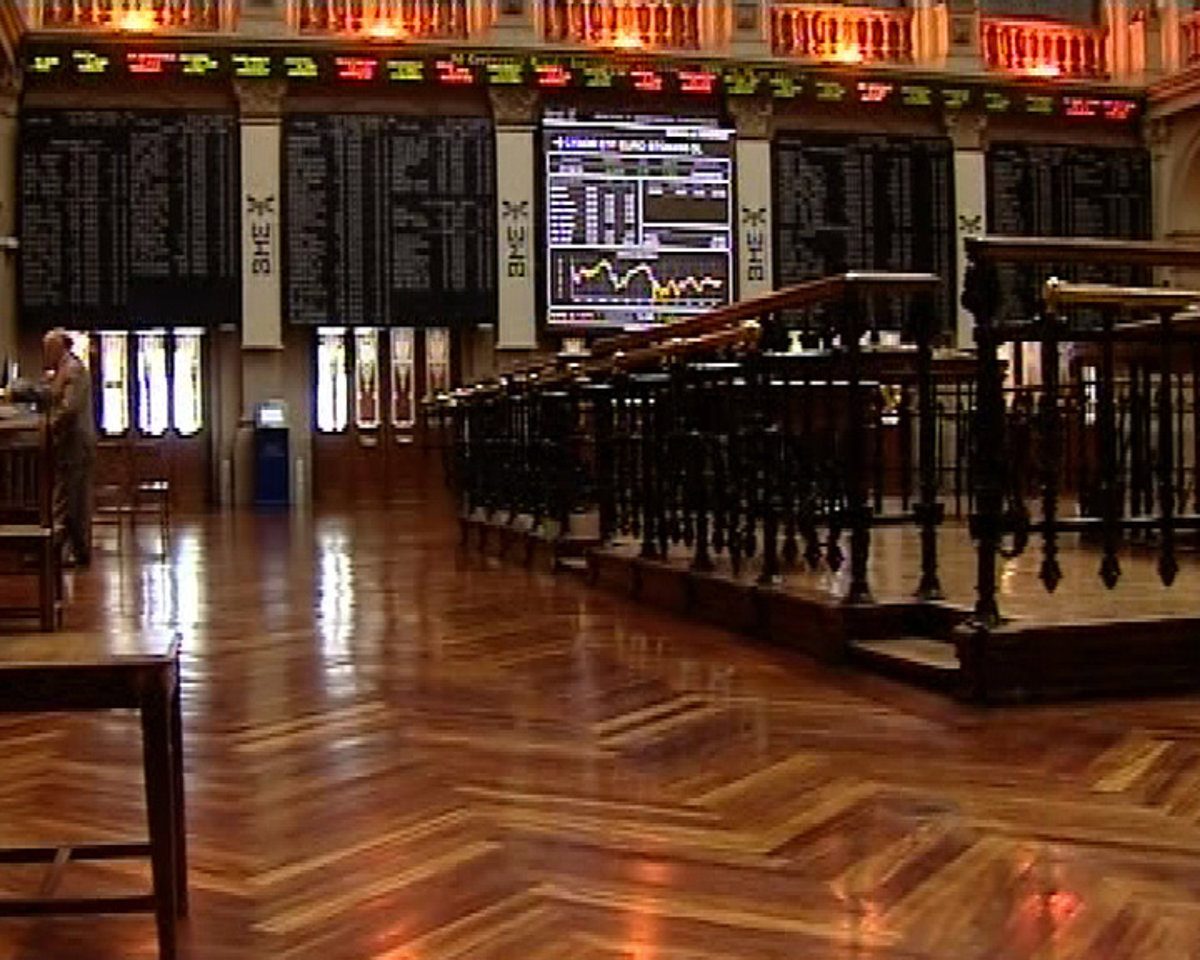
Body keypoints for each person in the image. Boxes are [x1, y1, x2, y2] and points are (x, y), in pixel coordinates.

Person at [42, 329, 96, 566]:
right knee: (69, 496)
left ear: (58, 348)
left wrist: (49, 426)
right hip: (70, 443)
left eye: (48, 349)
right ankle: (65, 549)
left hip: (75, 443)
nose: (45, 354)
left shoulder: (72, 369)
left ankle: (76, 551)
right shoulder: (63, 369)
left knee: (75, 499)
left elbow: (70, 408)